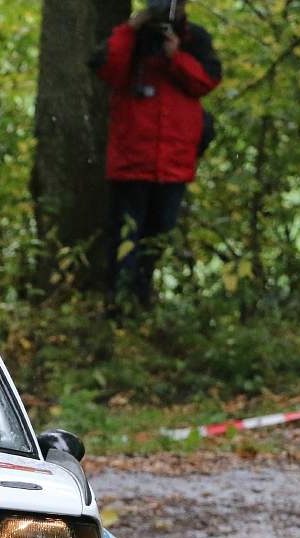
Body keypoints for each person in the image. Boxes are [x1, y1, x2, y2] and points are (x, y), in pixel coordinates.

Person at [91, 0, 222, 309]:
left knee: (157, 236)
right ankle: (118, 303)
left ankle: (142, 298)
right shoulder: (130, 40)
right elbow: (107, 68)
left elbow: (207, 81)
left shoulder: (195, 40)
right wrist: (132, 28)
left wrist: (176, 56)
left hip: (173, 165)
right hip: (131, 164)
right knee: (125, 237)